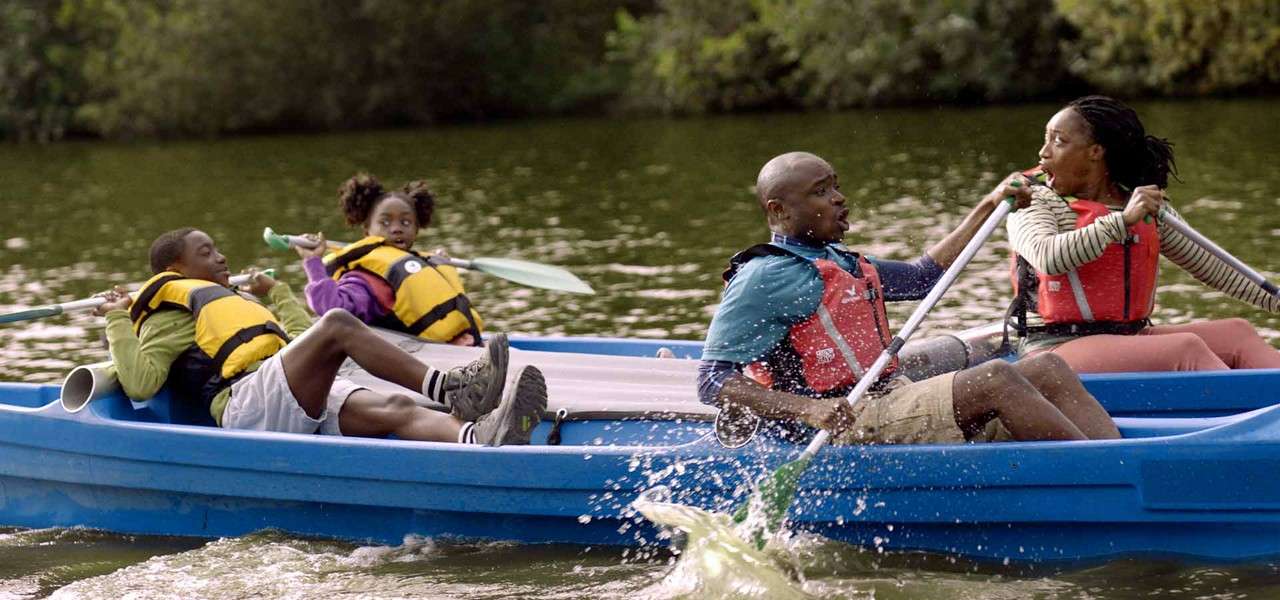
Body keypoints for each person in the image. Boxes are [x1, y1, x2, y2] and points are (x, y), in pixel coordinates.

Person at [698, 151, 1119, 445]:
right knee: (997, 378)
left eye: (836, 187)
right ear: (779, 211)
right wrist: (806, 409)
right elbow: (713, 381)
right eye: (821, 192)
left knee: (1047, 367)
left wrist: (990, 206)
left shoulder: (839, 261)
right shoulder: (763, 277)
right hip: (843, 420)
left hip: (889, 395)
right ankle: (1106, 484)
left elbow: (923, 279)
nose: (840, 199)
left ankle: (1118, 462)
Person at [91, 227, 546, 445]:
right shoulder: (166, 314)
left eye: (218, 246)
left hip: (282, 394)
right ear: (175, 270)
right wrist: (116, 318)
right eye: (206, 252)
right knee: (338, 326)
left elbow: (298, 341)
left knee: (396, 407)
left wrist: (279, 294)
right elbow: (141, 382)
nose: (222, 256)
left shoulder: (220, 299)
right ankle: (452, 389)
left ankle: (477, 437)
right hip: (245, 407)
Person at [1006, 95, 1280, 372]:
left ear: (1096, 151)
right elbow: (1048, 257)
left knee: (1238, 333)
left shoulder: (1141, 205)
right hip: (1053, 349)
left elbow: (1217, 268)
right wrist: (1121, 222)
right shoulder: (1031, 201)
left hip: (1128, 338)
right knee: (1184, 349)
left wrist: (1276, 302)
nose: (1043, 152)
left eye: (1058, 141)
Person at [300, 173, 482, 347]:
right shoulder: (366, 278)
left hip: (464, 349)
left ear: (417, 229)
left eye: (405, 222)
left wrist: (439, 265)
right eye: (385, 222)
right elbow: (333, 309)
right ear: (367, 230)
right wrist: (314, 263)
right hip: (424, 360)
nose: (396, 229)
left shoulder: (423, 263)